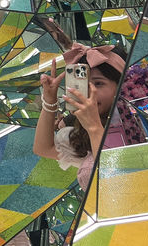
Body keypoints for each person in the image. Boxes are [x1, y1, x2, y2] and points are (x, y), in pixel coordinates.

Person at [33, 43, 126, 190]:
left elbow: (117, 184)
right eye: (82, 85)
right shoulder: (83, 133)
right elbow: (43, 148)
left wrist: (94, 128)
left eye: (98, 83)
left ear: (121, 85)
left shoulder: (135, 126)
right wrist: (50, 101)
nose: (89, 92)